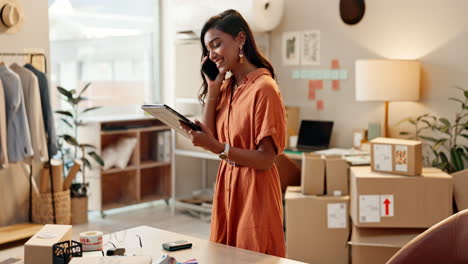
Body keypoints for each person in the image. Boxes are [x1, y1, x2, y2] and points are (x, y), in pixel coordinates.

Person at [180, 9, 286, 257]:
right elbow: (212, 136)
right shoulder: (227, 86)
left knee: (251, 256)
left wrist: (218, 148)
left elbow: (266, 158)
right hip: (227, 183)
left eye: (217, 44)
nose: (212, 54)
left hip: (255, 191)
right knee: (223, 255)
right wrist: (213, 86)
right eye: (208, 49)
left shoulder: (264, 88)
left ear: (240, 39)